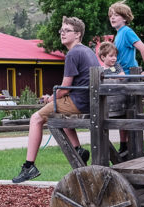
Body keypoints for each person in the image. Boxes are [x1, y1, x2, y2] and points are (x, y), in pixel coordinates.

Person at [12, 16, 101, 183]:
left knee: (36, 118)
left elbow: (65, 88)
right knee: (58, 111)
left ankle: (29, 166)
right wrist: (54, 98)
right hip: (89, 100)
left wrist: (50, 98)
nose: (63, 33)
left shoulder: (73, 53)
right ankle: (78, 150)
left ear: (78, 34)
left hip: (79, 102)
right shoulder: (87, 50)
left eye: (67, 30)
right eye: (62, 30)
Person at [107, 1, 144, 159]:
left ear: (125, 18)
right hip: (121, 77)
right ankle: (123, 145)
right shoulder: (118, 35)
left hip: (128, 77)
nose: (113, 18)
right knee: (123, 112)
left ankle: (128, 145)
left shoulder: (126, 31)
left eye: (116, 15)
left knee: (128, 112)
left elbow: (143, 48)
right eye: (111, 15)